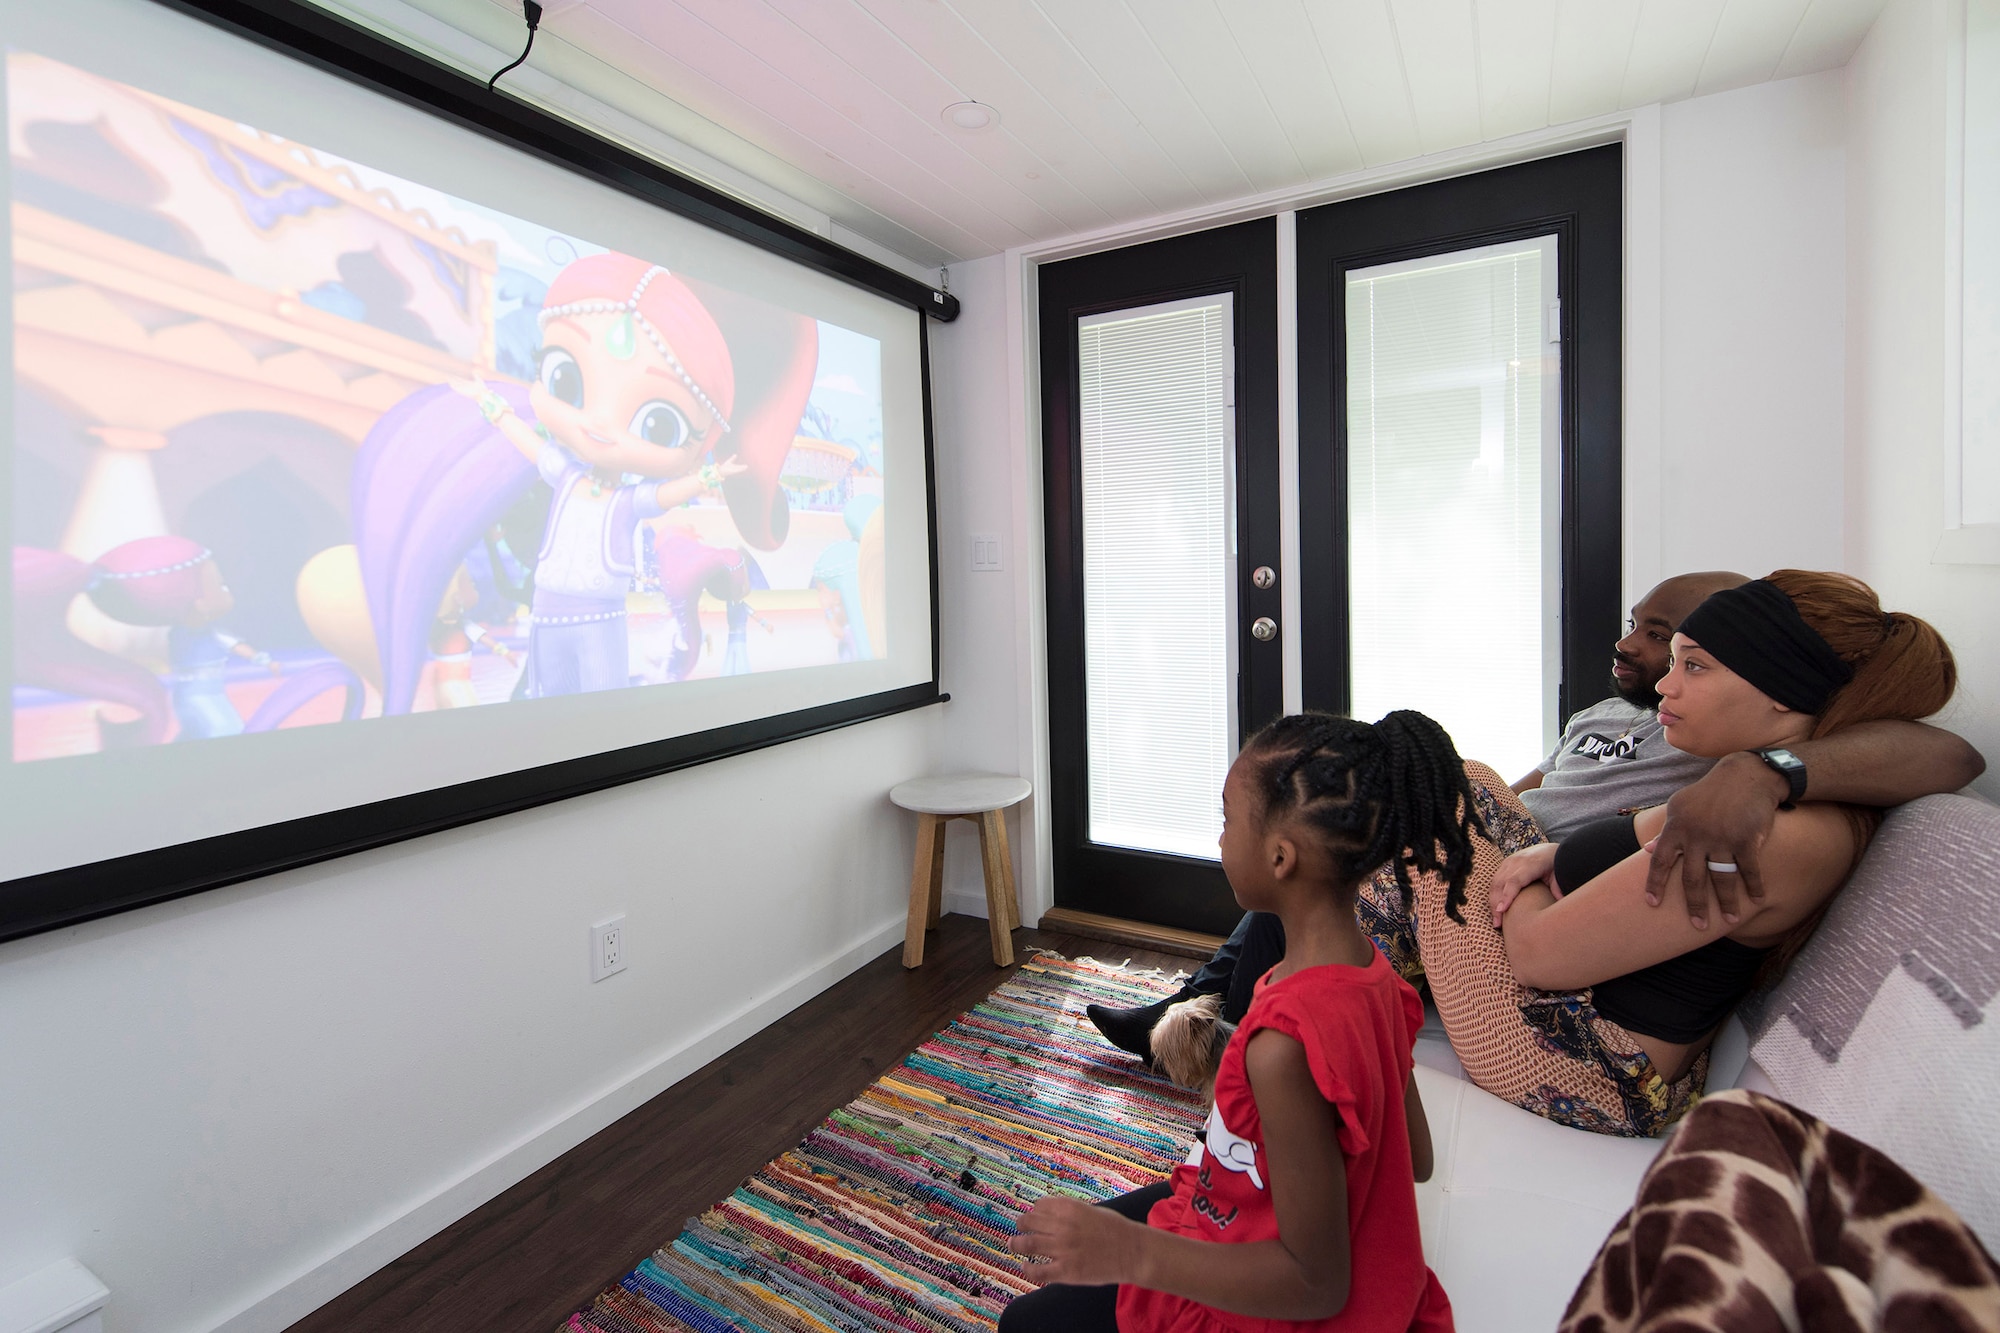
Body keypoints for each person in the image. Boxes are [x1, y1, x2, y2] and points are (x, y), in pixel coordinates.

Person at [1086, 571, 1985, 1062]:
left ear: (1785, 690)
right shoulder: (1737, 794)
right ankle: (1247, 1041)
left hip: (1574, 1057)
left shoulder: (1768, 831)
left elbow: (1537, 955)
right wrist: (1538, 848)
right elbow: (1628, 840)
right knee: (1427, 805)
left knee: (1407, 813)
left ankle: (1246, 1063)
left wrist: (1497, 870)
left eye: (1693, 663)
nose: (1665, 679)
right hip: (1568, 973)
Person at [1003, 712, 1474, 1333]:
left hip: (1282, 1304)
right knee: (1080, 1244)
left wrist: (1134, 1253)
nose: (1219, 838)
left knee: (1025, 1324)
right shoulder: (1377, 978)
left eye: (1227, 820)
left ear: (1281, 858)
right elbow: (1413, 1157)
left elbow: (1317, 1283)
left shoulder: (1282, 1044)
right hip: (1230, 1208)